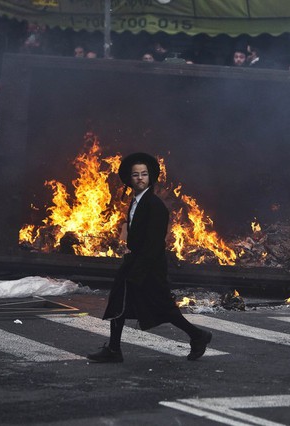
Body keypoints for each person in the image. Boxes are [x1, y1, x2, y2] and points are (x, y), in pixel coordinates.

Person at [87, 153, 213, 363]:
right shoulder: (136, 202)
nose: (139, 178)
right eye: (135, 174)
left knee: (163, 307)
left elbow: (154, 243)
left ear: (150, 177)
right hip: (136, 262)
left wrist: (138, 270)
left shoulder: (154, 205)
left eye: (144, 174)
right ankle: (114, 349)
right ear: (130, 178)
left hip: (149, 266)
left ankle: (198, 335)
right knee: (119, 302)